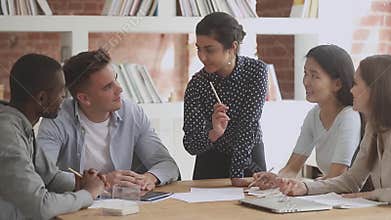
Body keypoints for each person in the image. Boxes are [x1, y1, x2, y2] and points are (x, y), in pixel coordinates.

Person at [37, 49, 180, 192]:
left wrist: (150, 177)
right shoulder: (57, 118)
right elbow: (43, 174)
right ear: (84, 98)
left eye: (116, 79)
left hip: (123, 206)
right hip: (77, 206)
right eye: (108, 87)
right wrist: (102, 181)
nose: (120, 89)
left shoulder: (132, 113)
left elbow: (166, 164)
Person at [0, 54, 106, 220]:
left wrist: (81, 183)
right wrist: (88, 194)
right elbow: (41, 206)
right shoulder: (6, 133)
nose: (65, 97)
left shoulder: (21, 126)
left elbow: (49, 177)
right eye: (61, 91)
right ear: (42, 98)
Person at [273, 55, 391, 202]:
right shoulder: (373, 127)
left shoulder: (351, 117)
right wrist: (305, 187)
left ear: (374, 89)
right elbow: (352, 180)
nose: (351, 90)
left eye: (355, 84)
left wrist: (372, 194)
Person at [251, 45, 362, 189]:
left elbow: (337, 177)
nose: (306, 82)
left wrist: (304, 186)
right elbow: (291, 168)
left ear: (337, 84)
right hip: (328, 196)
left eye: (315, 76)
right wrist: (276, 179)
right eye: (305, 74)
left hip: (348, 201)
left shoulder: (349, 117)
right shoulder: (314, 114)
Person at [183, 12, 268, 187]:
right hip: (210, 161)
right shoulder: (197, 84)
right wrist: (214, 134)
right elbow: (190, 145)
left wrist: (237, 173)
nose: (202, 57)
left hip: (249, 155)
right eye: (199, 48)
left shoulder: (256, 72)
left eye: (210, 50)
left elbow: (247, 125)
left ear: (233, 47)